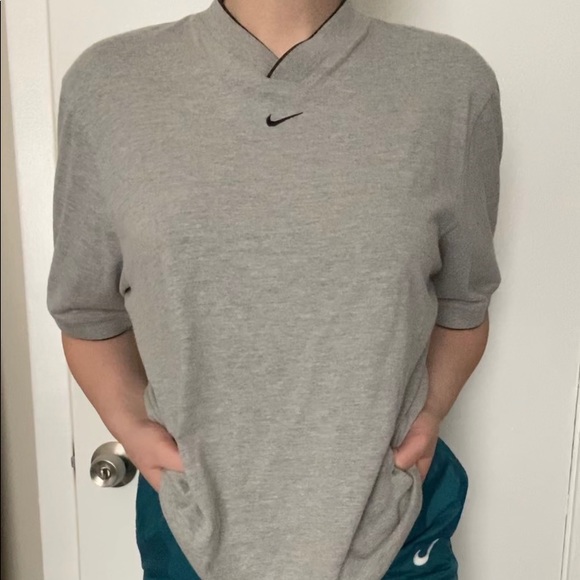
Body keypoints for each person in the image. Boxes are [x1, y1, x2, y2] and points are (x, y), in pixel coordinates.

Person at [46, 0, 503, 578]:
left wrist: (431, 412)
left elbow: (464, 303)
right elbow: (87, 314)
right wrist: (132, 429)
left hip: (394, 530)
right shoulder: (107, 87)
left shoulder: (453, 85)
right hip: (192, 535)